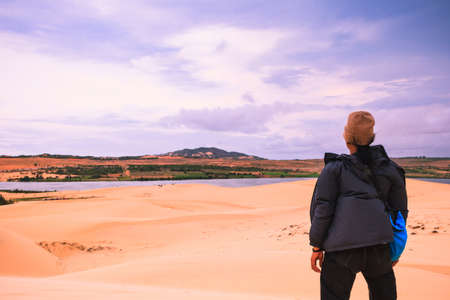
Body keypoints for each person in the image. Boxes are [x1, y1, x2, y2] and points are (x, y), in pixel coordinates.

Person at [309, 111, 408, 300]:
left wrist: (316, 246)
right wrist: (394, 249)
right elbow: (400, 213)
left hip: (340, 251)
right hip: (380, 248)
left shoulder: (334, 169)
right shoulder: (390, 169)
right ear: (371, 137)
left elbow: (322, 209)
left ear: (347, 138)